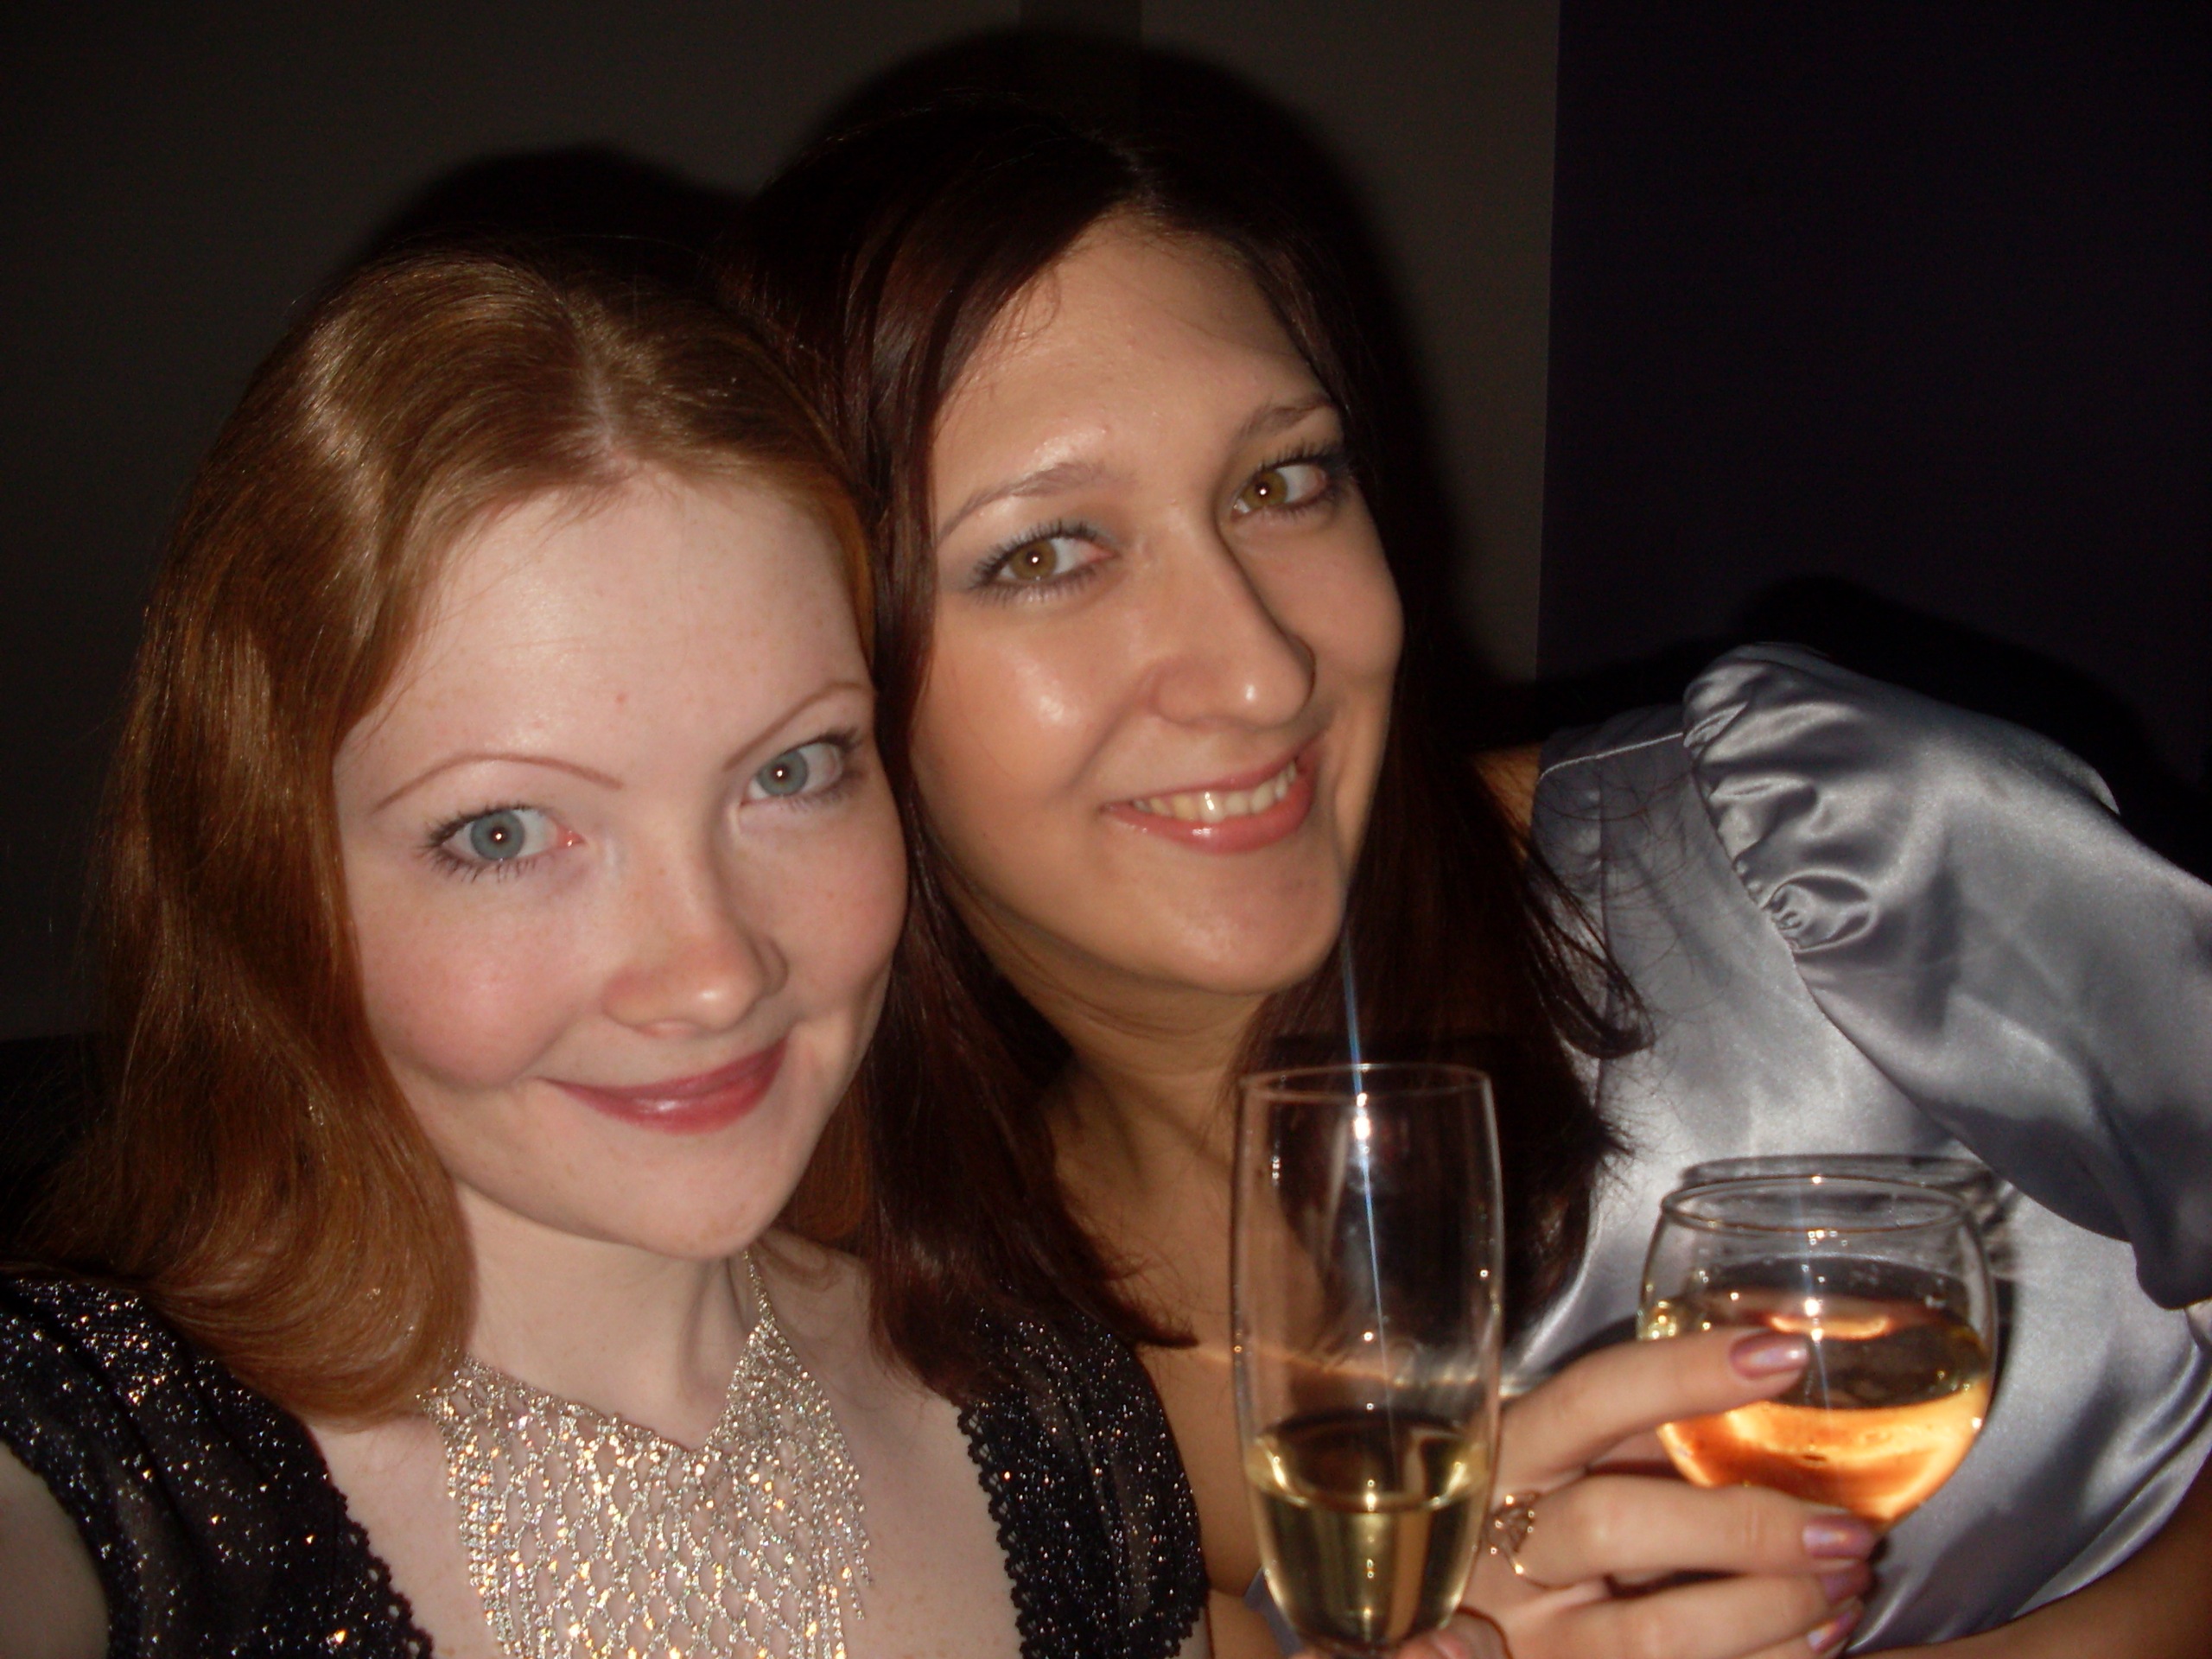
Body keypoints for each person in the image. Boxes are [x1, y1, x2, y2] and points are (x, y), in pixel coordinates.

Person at [723, 95, 2212, 1658]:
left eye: (1281, 482)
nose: (1260, 667)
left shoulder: (1815, 851)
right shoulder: (956, 1400)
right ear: (820, 685)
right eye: (1045, 554)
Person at [0, 247, 1205, 1658]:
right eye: (505, 833)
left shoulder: (1067, 1424)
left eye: (792, 771)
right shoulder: (98, 1471)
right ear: (273, 882)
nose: (713, 972)